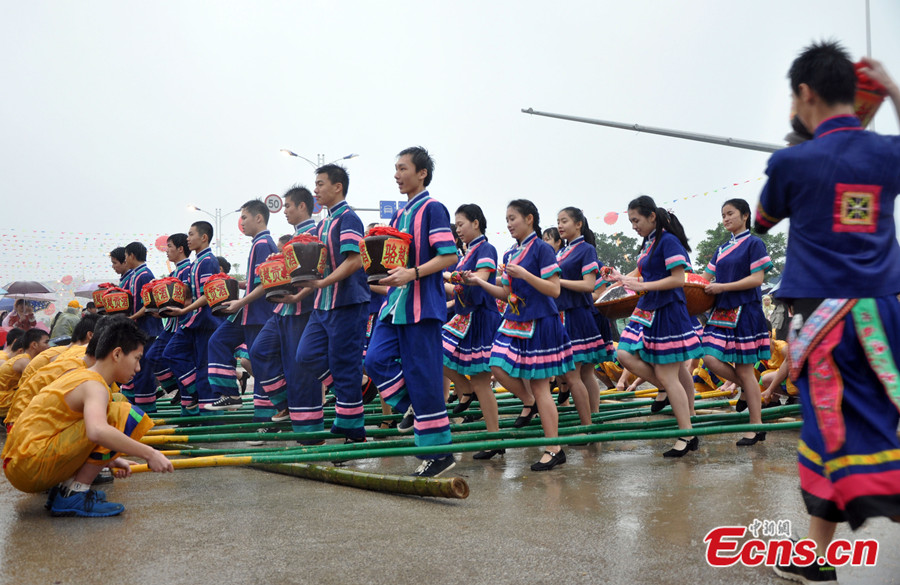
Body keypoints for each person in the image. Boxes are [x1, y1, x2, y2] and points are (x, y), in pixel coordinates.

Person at [754, 43, 900, 583]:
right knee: (843, 428)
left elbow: (764, 219)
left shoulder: (793, 161)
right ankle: (814, 560)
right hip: (885, 316)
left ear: (804, 93)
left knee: (835, 433)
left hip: (827, 322)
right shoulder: (886, 153)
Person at [1, 317, 174, 517]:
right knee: (125, 414)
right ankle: (74, 494)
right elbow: (97, 431)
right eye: (136, 359)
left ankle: (65, 489)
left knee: (110, 411)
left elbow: (70, 427)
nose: (138, 368)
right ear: (117, 354)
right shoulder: (94, 384)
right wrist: (150, 454)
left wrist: (109, 459)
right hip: (30, 464)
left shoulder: (82, 376)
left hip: (21, 463)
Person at [365, 147, 458, 477]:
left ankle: (438, 453)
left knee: (425, 376)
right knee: (374, 360)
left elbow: (449, 256)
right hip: (394, 306)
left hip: (422, 306)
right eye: (395, 168)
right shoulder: (398, 216)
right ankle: (417, 410)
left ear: (422, 173)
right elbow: (393, 263)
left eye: (403, 168)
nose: (396, 174)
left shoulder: (433, 208)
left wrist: (413, 273)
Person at [470, 199, 575, 471]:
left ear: (529, 218)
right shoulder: (510, 254)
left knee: (541, 386)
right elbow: (506, 293)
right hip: (516, 321)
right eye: (506, 219)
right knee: (496, 364)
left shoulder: (541, 248)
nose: (508, 223)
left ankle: (554, 448)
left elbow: (554, 290)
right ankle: (529, 402)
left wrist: (526, 275)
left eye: (513, 218)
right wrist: (480, 281)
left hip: (540, 321)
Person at [612, 196, 702, 457]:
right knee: (634, 356)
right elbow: (643, 272)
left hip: (666, 310)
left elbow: (677, 278)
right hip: (650, 308)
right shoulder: (650, 242)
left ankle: (686, 433)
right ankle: (688, 418)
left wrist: (642, 286)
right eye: (630, 221)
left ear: (652, 216)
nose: (633, 226)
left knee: (668, 373)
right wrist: (620, 279)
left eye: (636, 220)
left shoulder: (668, 241)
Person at [293, 164, 370, 442]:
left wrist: (324, 283)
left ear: (338, 187)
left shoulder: (349, 219)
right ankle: (358, 394)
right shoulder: (323, 223)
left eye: (320, 184)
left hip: (347, 303)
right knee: (306, 355)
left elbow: (356, 259)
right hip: (323, 304)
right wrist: (298, 291)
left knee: (344, 363)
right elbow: (316, 269)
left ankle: (353, 428)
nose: (316, 189)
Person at [700, 198, 773, 445]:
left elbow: (757, 279)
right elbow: (704, 278)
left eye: (730, 213)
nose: (726, 219)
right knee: (708, 357)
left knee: (744, 369)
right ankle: (746, 387)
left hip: (746, 310)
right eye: (723, 215)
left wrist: (723, 287)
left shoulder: (754, 243)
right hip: (722, 312)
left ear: (745, 216)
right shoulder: (720, 249)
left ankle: (756, 426)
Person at [248, 186, 319, 433]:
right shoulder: (292, 237)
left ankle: (310, 435)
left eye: (288, 205)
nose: (285, 211)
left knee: (300, 371)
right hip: (282, 309)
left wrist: (299, 295)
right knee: (258, 351)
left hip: (302, 309)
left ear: (302, 206)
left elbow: (320, 273)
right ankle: (285, 403)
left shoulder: (315, 233)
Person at [205, 199, 278, 418]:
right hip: (248, 312)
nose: (241, 222)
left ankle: (266, 418)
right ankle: (230, 394)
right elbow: (257, 281)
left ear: (259, 218)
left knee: (260, 362)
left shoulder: (263, 244)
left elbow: (267, 283)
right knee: (218, 341)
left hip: (258, 314)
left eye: (244, 217)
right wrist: (236, 285)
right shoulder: (259, 243)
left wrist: (240, 302)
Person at [442, 204, 503, 459]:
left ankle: (494, 437)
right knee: (436, 353)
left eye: (461, 224)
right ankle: (465, 393)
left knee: (481, 380)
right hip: (464, 316)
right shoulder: (466, 253)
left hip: (480, 317)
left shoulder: (486, 248)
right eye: (456, 225)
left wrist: (442, 274)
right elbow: (459, 289)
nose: (458, 229)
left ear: (476, 223)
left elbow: (478, 279)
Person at [555, 206, 611, 420]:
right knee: (583, 373)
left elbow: (589, 285)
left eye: (564, 221)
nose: (560, 225)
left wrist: (557, 282)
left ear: (579, 224)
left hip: (578, 314)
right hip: (564, 315)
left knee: (575, 373)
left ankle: (588, 424)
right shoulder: (560, 252)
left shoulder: (586, 249)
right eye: (558, 221)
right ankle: (591, 422)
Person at [162, 221, 224, 413]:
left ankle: (209, 412)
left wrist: (183, 311)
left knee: (203, 366)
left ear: (203, 237)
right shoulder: (197, 261)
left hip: (205, 321)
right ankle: (195, 394)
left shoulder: (207, 261)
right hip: (194, 320)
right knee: (172, 354)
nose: (188, 238)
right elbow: (190, 292)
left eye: (191, 234)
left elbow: (207, 295)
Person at [6, 313, 102, 429]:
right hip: (26, 420)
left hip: (20, 413)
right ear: (91, 335)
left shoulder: (62, 351)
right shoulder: (78, 355)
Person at [144, 233, 192, 405]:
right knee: (153, 356)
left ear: (180, 249)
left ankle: (189, 390)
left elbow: (190, 297)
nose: (166, 250)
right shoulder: (175, 271)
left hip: (182, 324)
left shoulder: (187, 270)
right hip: (171, 324)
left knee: (172, 356)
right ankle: (176, 387)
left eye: (169, 246)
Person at [120, 241, 163, 411]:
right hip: (139, 329)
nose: (125, 261)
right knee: (137, 368)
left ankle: (147, 409)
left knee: (144, 369)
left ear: (131, 256)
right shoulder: (135, 275)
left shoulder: (144, 275)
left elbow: (148, 304)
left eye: (125, 257)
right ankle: (138, 406)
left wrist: (131, 318)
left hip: (147, 329)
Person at [0, 328, 51, 419]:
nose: (49, 347)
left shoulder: (26, 359)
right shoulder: (24, 361)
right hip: (4, 404)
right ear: (34, 345)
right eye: (46, 342)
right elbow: (33, 386)